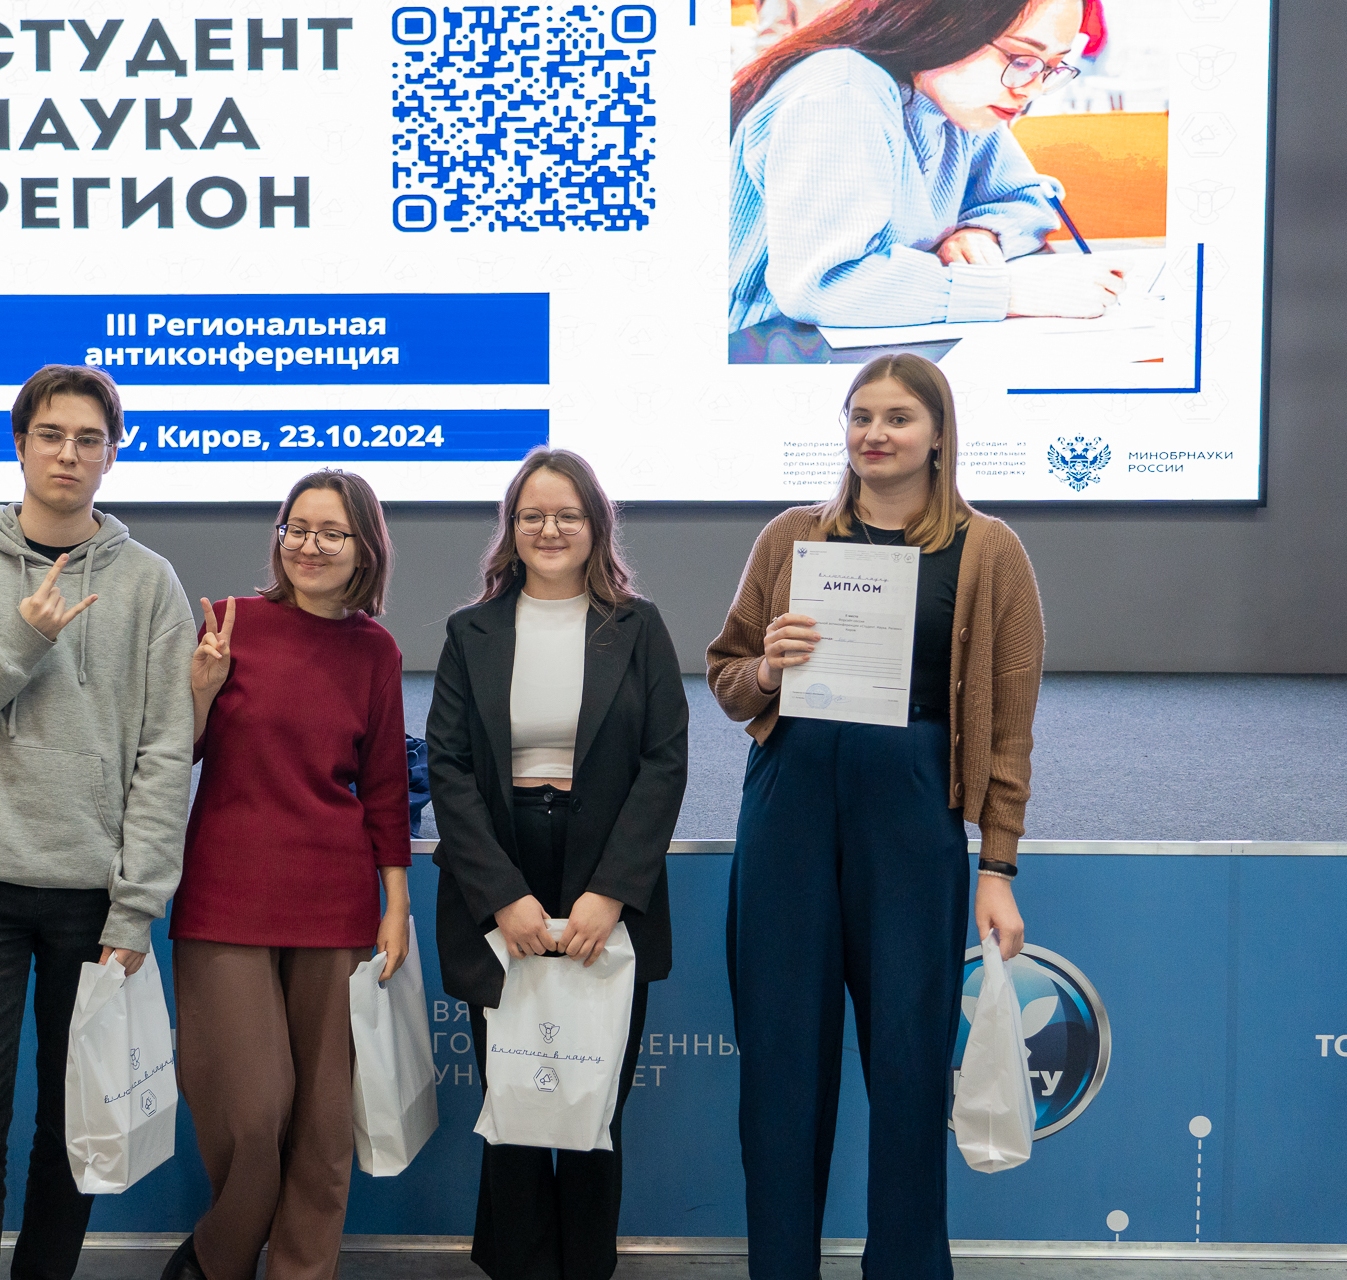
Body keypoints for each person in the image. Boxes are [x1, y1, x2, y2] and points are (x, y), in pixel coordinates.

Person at [706, 353, 1043, 1280]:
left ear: (938, 435)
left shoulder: (990, 551)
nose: (876, 434)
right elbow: (728, 679)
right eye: (861, 416)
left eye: (898, 418)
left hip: (912, 815)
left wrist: (998, 866)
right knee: (781, 1064)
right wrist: (767, 668)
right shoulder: (791, 537)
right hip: (789, 811)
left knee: (907, 1065)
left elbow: (1009, 733)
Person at [0, 364, 194, 1280]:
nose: (68, 453)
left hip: (92, 901)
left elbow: (164, 755)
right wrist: (20, 642)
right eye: (51, 435)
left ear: (112, 454)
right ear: (20, 444)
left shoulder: (150, 584)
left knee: (74, 1126)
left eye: (89, 439)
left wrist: (136, 907)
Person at [426, 448, 689, 1280]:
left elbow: (664, 763)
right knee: (513, 1103)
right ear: (510, 528)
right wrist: (501, 896)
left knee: (591, 1103)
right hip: (502, 872)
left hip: (605, 875)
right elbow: (449, 769)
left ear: (595, 527)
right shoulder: (470, 632)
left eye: (567, 515)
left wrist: (612, 893)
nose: (549, 529)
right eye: (532, 515)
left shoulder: (638, 627)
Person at [163, 469, 411, 1280]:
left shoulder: (375, 651)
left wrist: (396, 903)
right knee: (253, 1111)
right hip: (225, 896)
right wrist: (199, 693)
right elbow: (171, 755)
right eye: (297, 529)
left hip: (335, 903)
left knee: (324, 1127)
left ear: (364, 548)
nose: (310, 546)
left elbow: (385, 789)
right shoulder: (230, 623)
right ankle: (216, 1260)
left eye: (331, 533)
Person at [728, 0, 1127, 333]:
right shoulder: (841, 94)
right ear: (945, 22)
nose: (1033, 89)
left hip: (876, 340)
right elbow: (823, 285)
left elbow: (1028, 199)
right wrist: (1007, 291)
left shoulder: (958, 101)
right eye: (1021, 59)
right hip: (766, 346)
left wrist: (982, 232)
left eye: (1051, 66)